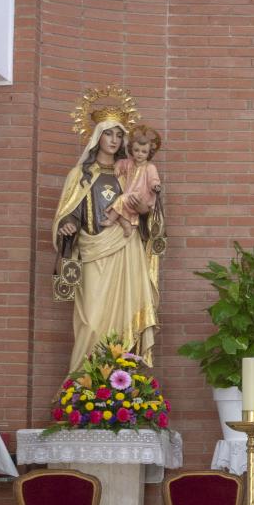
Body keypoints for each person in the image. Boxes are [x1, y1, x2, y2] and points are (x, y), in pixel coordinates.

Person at [52, 114, 161, 372]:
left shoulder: (129, 170)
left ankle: (118, 379)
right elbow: (70, 209)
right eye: (108, 133)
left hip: (126, 246)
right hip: (92, 249)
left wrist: (143, 209)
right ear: (96, 136)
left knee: (125, 313)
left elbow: (148, 211)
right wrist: (68, 223)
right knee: (90, 320)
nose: (114, 140)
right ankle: (82, 382)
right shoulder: (80, 174)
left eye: (119, 135)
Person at [110, 124, 163, 238]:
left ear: (149, 153)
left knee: (121, 200)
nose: (139, 154)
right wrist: (117, 167)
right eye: (136, 150)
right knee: (121, 209)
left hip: (141, 197)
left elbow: (154, 180)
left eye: (144, 152)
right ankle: (127, 225)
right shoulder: (129, 163)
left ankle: (109, 220)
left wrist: (155, 186)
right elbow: (120, 163)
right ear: (131, 150)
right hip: (130, 195)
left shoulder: (150, 167)